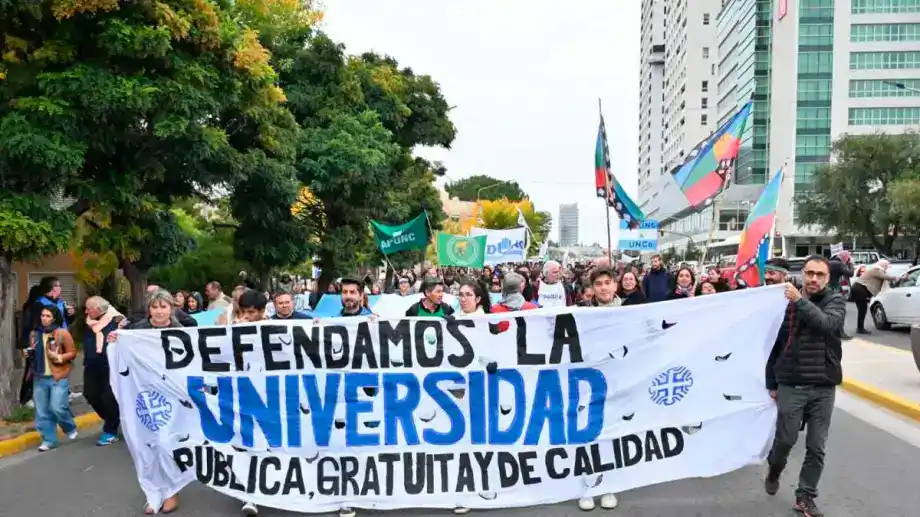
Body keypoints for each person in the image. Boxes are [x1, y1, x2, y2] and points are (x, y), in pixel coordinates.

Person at [764, 255, 845, 517]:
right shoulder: (785, 302)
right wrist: (771, 382)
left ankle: (805, 496)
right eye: (810, 273)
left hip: (823, 386)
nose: (814, 279)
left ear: (827, 278)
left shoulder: (835, 301)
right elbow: (774, 345)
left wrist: (800, 301)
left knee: (816, 447)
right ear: (802, 274)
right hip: (791, 383)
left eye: (820, 275)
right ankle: (774, 469)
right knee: (785, 440)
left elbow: (827, 325)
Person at [27, 305, 78, 452]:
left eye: (48, 316)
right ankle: (49, 440)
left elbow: (72, 353)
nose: (44, 319)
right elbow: (32, 350)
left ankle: (69, 426)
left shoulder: (62, 333)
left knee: (57, 407)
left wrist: (59, 357)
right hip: (39, 376)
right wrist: (27, 353)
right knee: (42, 411)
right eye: (43, 315)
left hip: (58, 376)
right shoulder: (34, 334)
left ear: (54, 318)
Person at [83, 296, 124, 446]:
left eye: (89, 309)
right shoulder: (88, 322)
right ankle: (113, 418)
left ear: (99, 309)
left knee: (109, 397)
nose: (86, 311)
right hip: (91, 364)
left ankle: (110, 430)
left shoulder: (117, 321)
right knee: (90, 394)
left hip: (110, 365)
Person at [849, 259, 899, 335]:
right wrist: (898, 278)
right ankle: (860, 328)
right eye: (886, 266)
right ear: (883, 265)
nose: (887, 268)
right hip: (860, 289)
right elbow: (885, 276)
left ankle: (860, 328)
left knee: (862, 309)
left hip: (858, 289)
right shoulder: (876, 270)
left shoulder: (876, 269)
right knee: (862, 309)